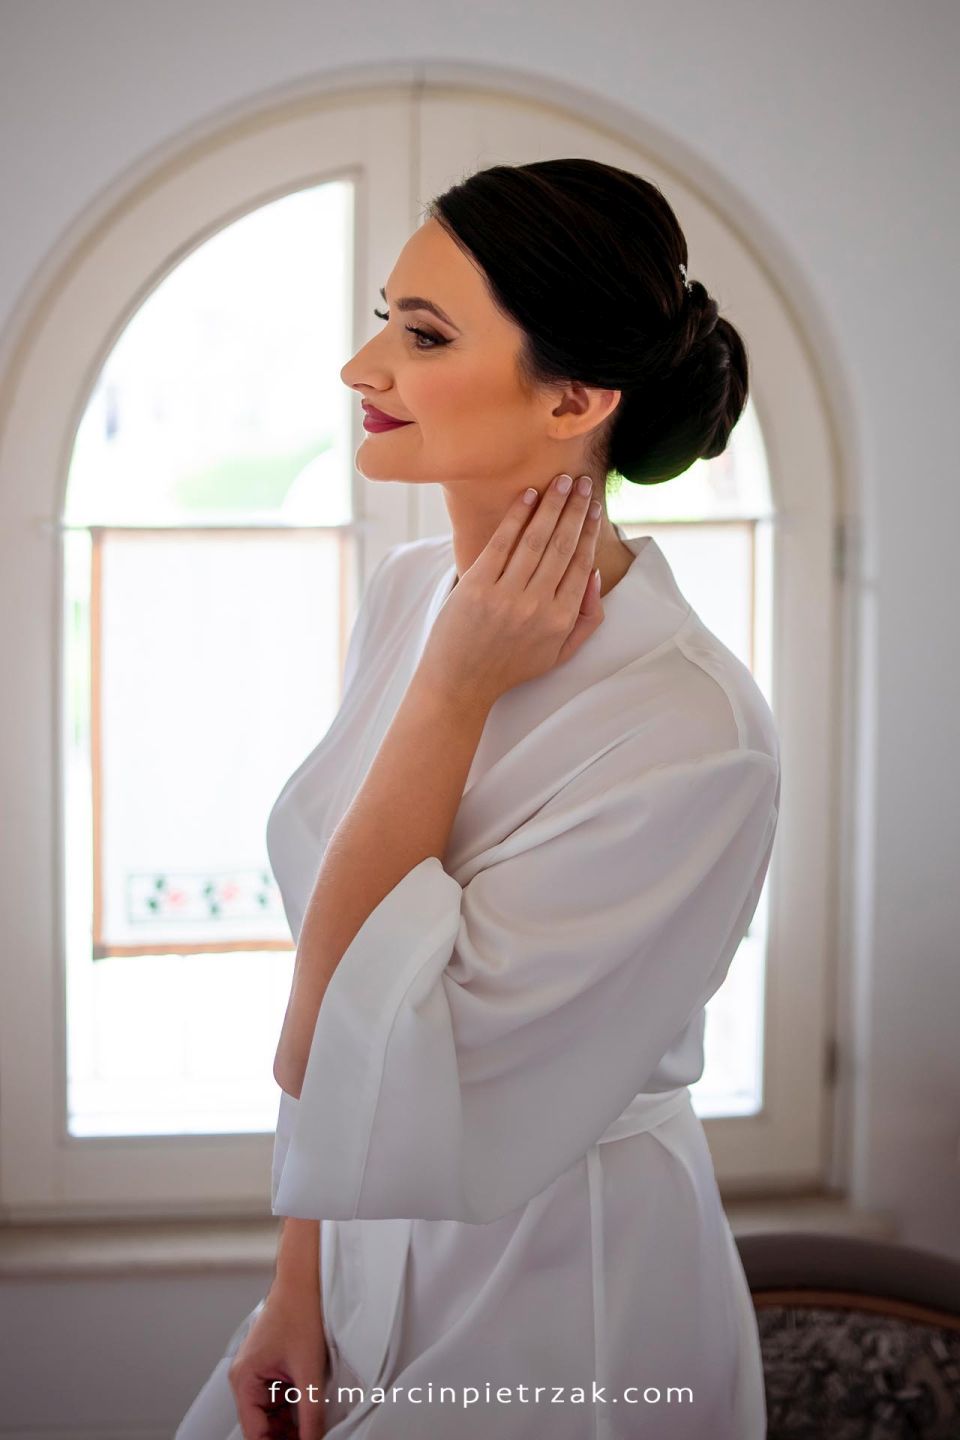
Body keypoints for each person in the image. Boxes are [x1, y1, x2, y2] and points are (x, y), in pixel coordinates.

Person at [175, 158, 779, 1440]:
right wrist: (297, 1284)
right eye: (384, 317)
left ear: (575, 398)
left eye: (424, 335)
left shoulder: (698, 737)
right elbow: (341, 1022)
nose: (362, 368)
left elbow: (332, 1042)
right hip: (355, 1252)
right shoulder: (408, 596)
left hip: (567, 1290)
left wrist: (453, 696)